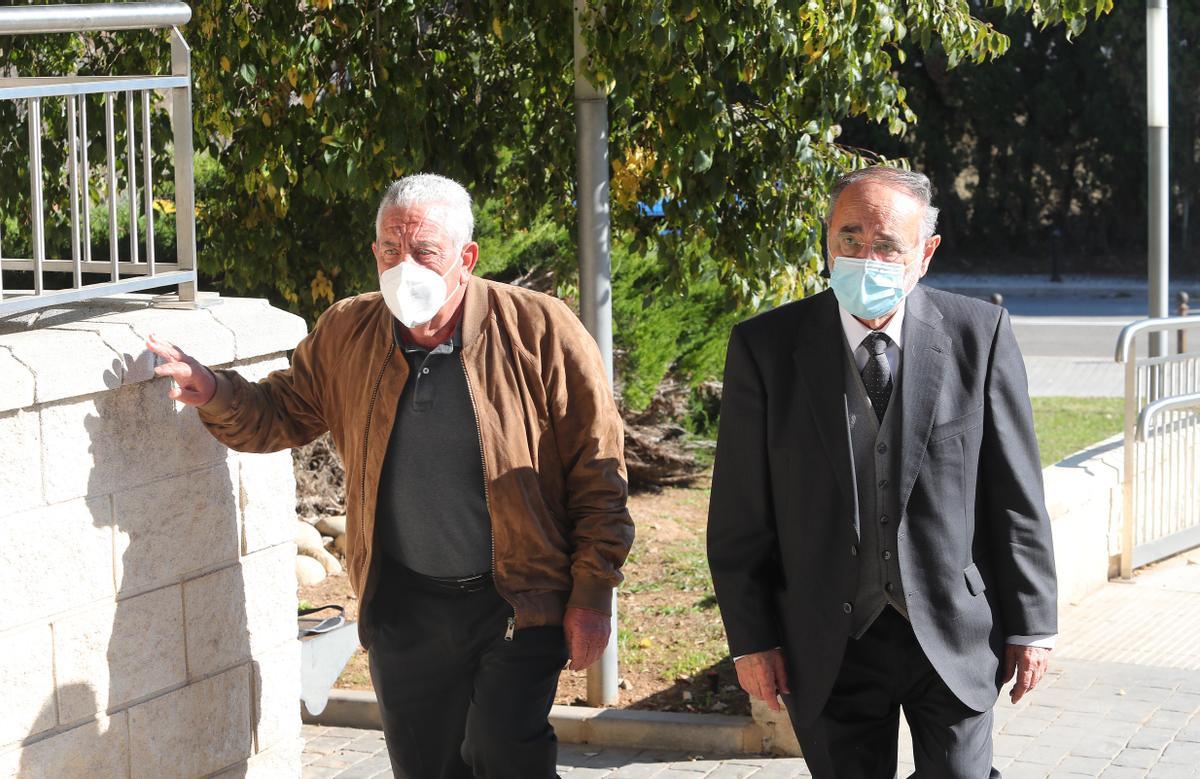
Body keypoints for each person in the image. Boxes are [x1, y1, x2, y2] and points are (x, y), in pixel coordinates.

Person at [147, 173, 634, 779]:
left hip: (516, 598)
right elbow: (281, 412)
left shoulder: (540, 329)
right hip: (405, 605)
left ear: (466, 257)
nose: (406, 267)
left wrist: (591, 595)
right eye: (389, 250)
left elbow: (598, 472)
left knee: (503, 753)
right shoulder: (349, 331)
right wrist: (213, 389)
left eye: (425, 251)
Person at [707, 166, 1057, 776]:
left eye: (887, 244)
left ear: (925, 254)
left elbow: (1016, 496)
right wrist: (752, 640)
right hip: (826, 637)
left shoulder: (982, 335)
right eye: (850, 237)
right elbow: (741, 513)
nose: (865, 256)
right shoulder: (766, 349)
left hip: (951, 630)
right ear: (826, 241)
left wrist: (1033, 625)